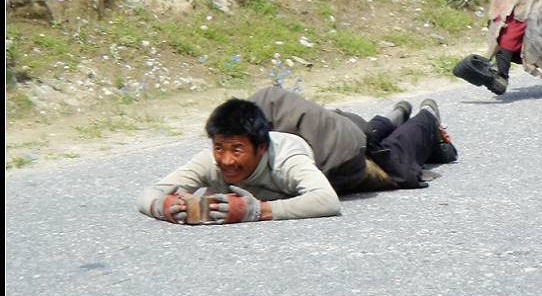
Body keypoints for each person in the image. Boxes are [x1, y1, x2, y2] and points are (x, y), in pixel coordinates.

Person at [137, 88, 458, 224]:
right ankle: (395, 113)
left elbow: (327, 201)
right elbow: (150, 192)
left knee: (395, 166)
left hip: (343, 151)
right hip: (330, 125)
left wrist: (256, 210)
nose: (227, 161)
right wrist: (164, 205)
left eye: (237, 151)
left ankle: (426, 118)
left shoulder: (287, 159)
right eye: (220, 149)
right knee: (371, 133)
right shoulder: (214, 157)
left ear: (261, 147)